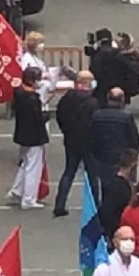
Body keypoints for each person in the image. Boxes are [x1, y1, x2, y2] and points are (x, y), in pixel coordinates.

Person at [54, 70, 99, 217]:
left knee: (69, 171)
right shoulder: (92, 102)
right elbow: (94, 123)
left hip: (71, 139)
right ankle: (95, 205)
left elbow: (59, 116)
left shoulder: (67, 98)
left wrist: (65, 131)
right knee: (92, 174)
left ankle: (59, 204)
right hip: (88, 141)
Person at [9, 67, 49, 210]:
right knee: (33, 167)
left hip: (22, 134)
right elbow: (38, 118)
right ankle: (29, 199)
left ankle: (18, 190)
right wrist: (46, 115)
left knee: (25, 163)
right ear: (32, 80)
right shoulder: (33, 98)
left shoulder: (19, 92)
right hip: (34, 136)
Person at [89, 88, 139, 182]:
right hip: (121, 157)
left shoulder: (97, 115)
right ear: (122, 100)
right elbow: (134, 139)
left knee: (104, 182)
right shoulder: (126, 117)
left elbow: (91, 135)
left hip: (101, 156)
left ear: (108, 98)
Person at [100, 150, 139, 245]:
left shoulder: (120, 182)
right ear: (132, 166)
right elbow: (107, 212)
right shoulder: (118, 187)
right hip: (118, 231)